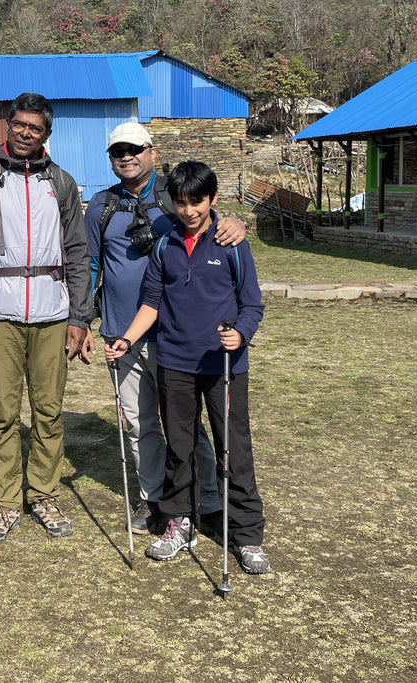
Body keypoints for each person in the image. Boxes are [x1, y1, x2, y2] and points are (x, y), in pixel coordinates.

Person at [82, 122, 246, 536]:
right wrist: (83, 321)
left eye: (134, 149)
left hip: (175, 336)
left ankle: (205, 498)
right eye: (118, 151)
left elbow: (212, 225)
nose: (126, 157)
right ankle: (153, 497)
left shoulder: (175, 195)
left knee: (187, 426)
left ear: (151, 151)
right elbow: (89, 265)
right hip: (121, 331)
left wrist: (237, 222)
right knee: (140, 424)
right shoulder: (100, 205)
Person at [105, 160, 268, 574]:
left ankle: (246, 535)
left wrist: (241, 334)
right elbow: (152, 303)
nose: (189, 211)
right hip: (174, 363)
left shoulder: (232, 242)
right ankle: (182, 522)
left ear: (212, 199)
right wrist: (128, 338)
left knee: (234, 449)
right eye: (180, 203)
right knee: (179, 447)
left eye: (197, 201)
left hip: (223, 364)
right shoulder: (165, 244)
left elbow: (252, 304)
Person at [0, 92, 91, 544]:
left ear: (47, 133)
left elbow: (77, 252)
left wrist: (80, 317)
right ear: (7, 126)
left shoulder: (63, 184)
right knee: (3, 412)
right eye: (19, 125)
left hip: (53, 314)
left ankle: (44, 494)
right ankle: (6, 501)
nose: (26, 133)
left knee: (49, 411)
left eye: (36, 127)